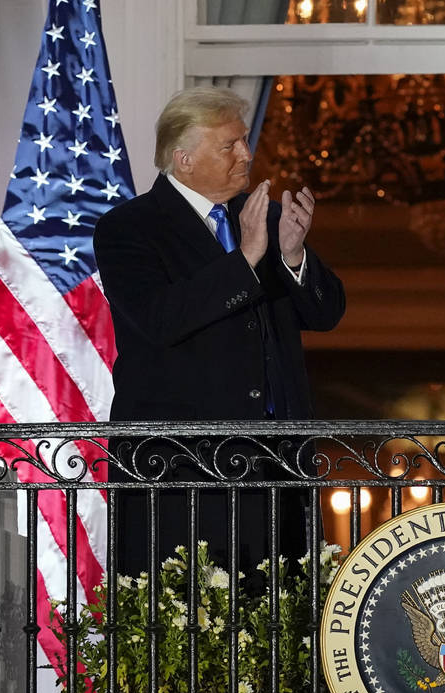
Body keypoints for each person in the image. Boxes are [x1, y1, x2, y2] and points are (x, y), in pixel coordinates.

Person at [94, 87, 345, 581]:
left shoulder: (267, 219)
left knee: (278, 635)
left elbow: (326, 313)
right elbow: (161, 320)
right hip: (183, 473)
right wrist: (245, 261)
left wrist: (293, 256)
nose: (246, 155)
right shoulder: (129, 228)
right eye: (229, 144)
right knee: (188, 641)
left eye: (245, 141)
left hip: (279, 469)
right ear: (182, 158)